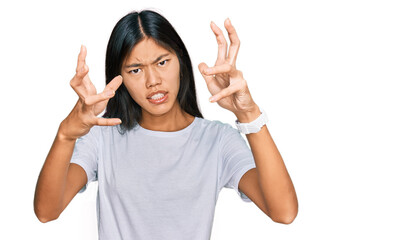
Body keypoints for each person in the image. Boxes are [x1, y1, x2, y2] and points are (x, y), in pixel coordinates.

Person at [34, 9, 298, 239]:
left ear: (180, 61)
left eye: (162, 62)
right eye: (135, 69)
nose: (153, 81)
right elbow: (47, 211)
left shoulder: (217, 140)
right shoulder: (103, 137)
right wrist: (65, 136)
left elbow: (284, 211)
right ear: (120, 78)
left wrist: (249, 114)